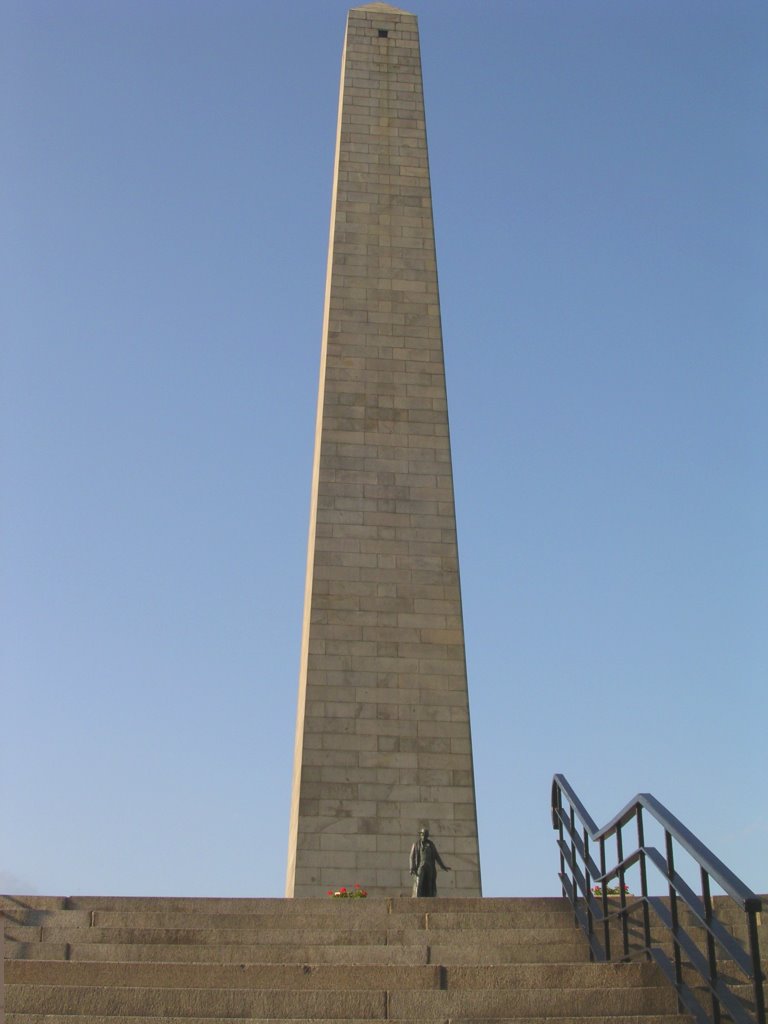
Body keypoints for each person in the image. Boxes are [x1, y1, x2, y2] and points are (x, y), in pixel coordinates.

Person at [409, 827, 450, 897]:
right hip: (420, 866)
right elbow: (411, 857)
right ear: (420, 835)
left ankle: (431, 900)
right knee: (419, 883)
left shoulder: (431, 845)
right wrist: (412, 867)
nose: (424, 836)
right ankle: (417, 900)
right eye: (423, 834)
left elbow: (437, 856)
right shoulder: (416, 844)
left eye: (425, 835)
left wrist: (442, 866)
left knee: (430, 884)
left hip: (430, 867)